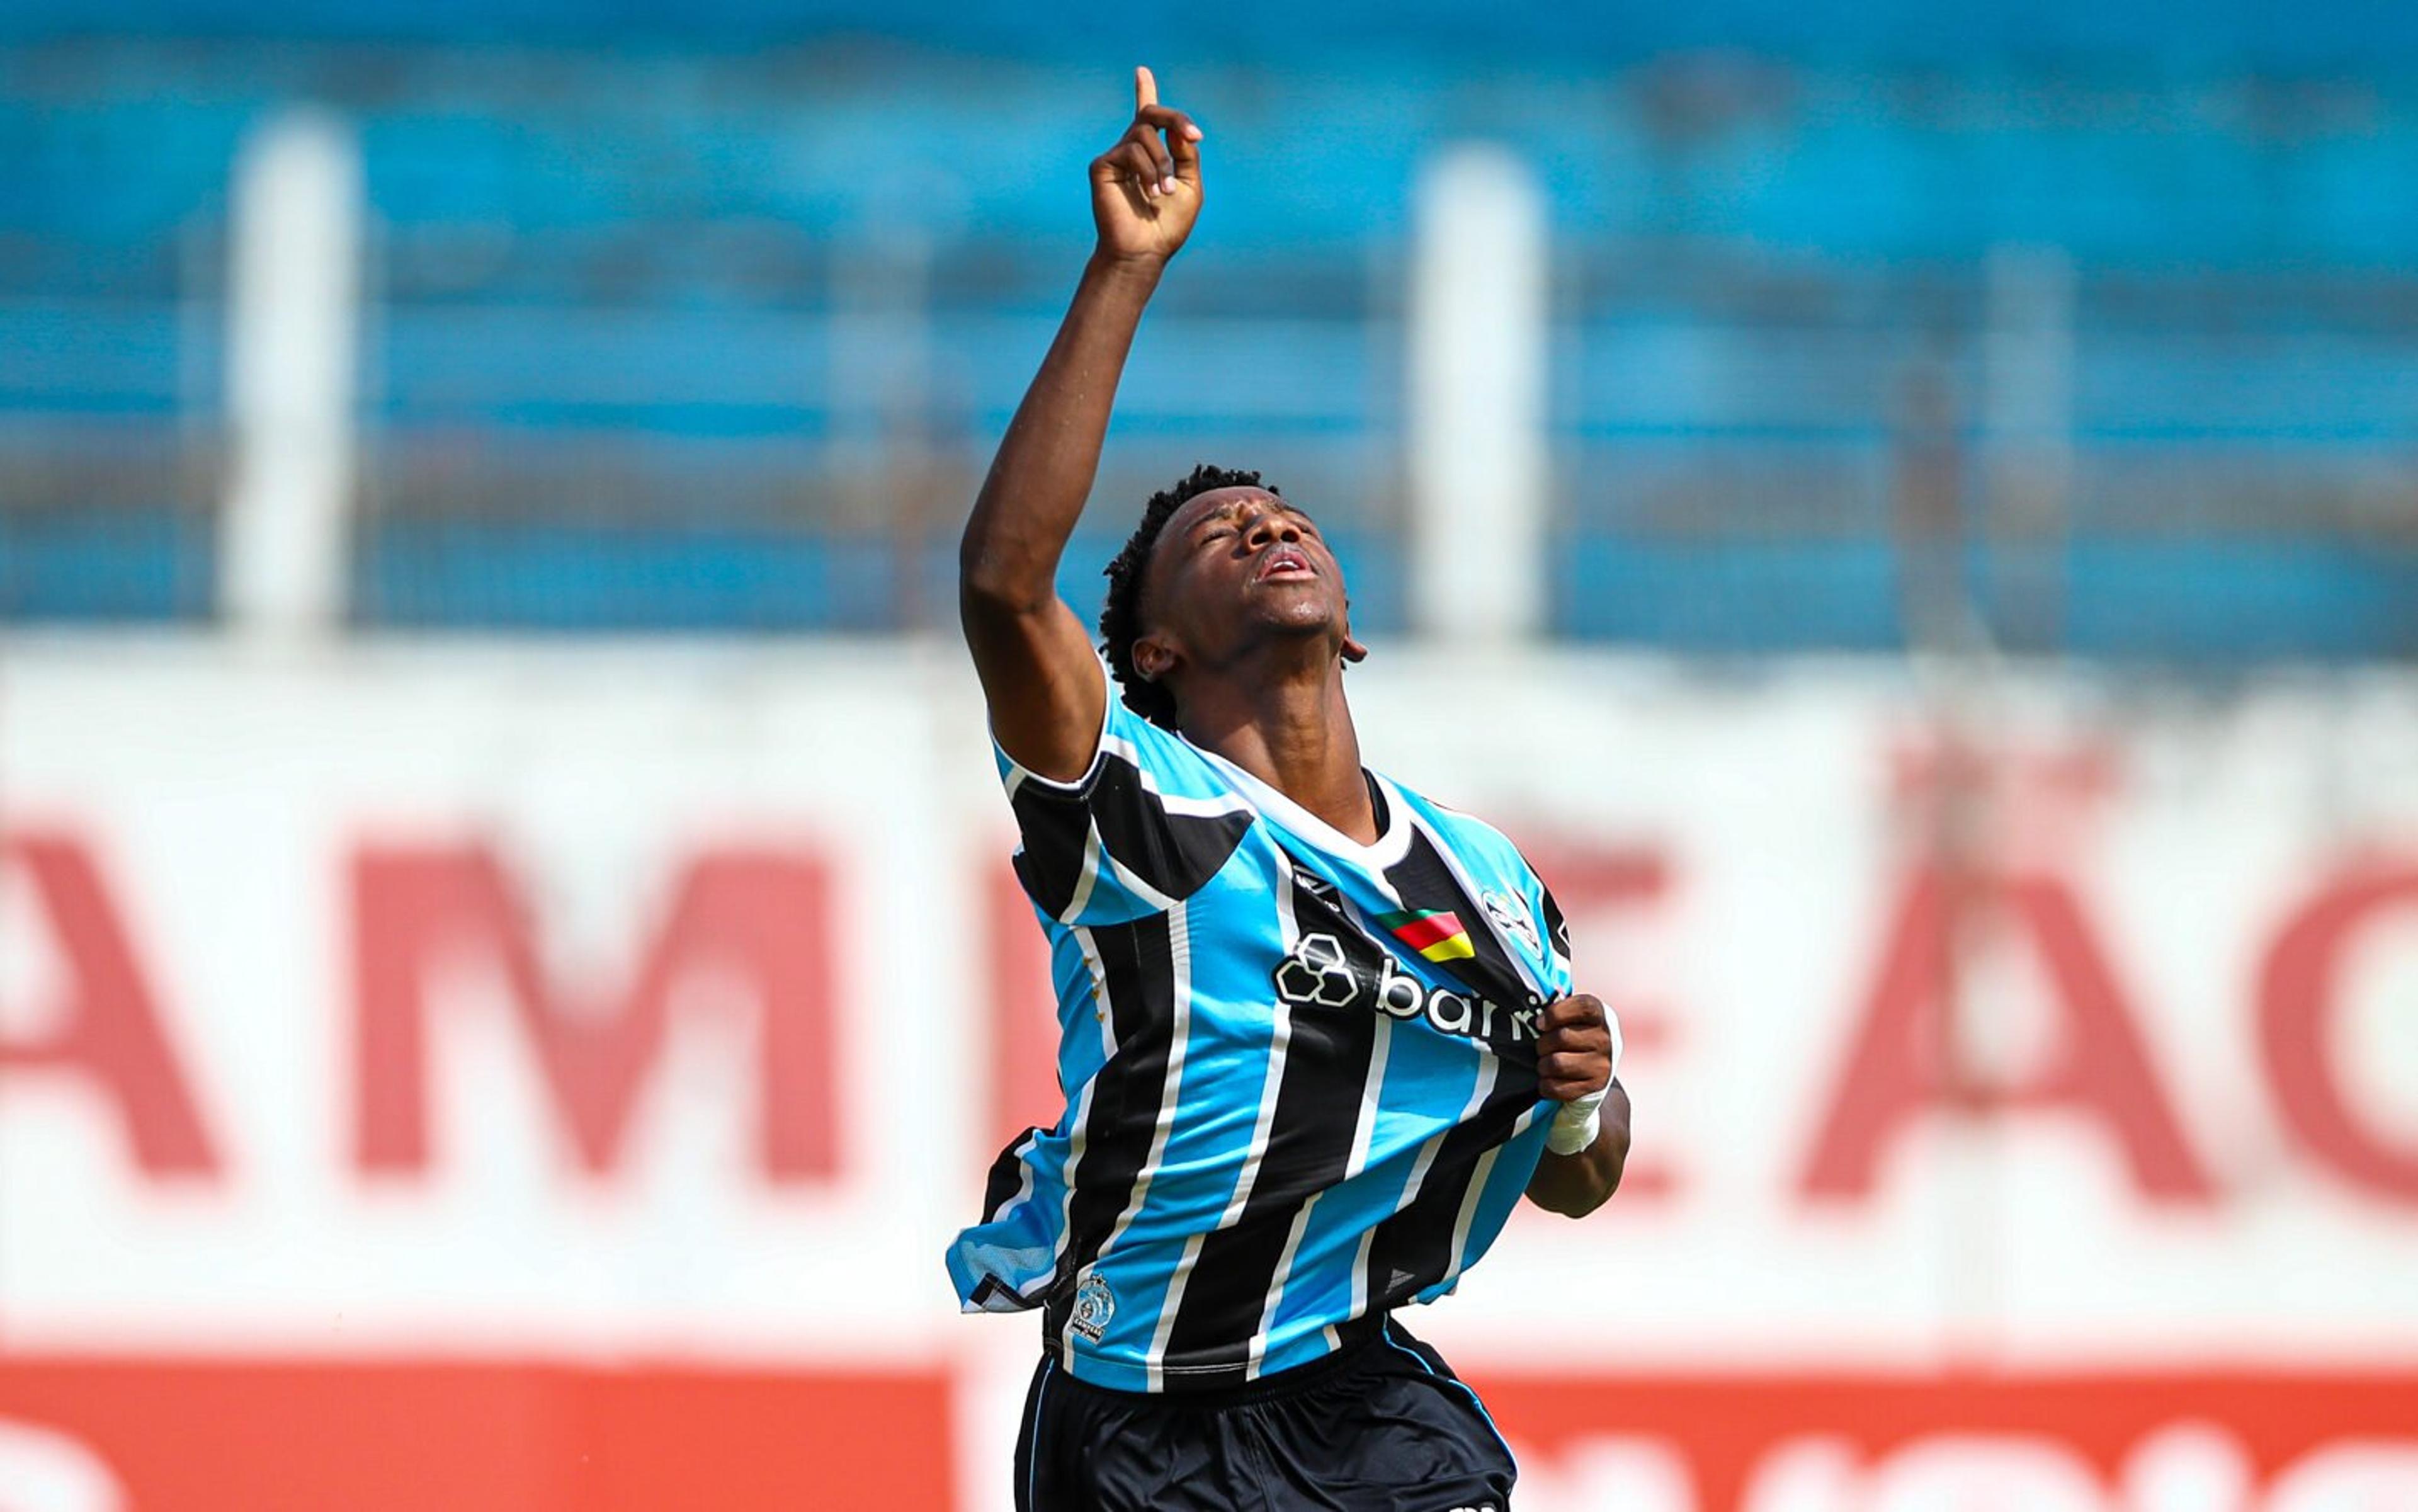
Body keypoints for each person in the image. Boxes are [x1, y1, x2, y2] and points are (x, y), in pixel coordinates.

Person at [946, 66, 1631, 1512]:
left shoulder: (1489, 882)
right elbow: (1007, 587)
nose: (1264, 519)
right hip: (1137, 1425)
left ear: (1355, 626)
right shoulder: (1142, 814)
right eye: (1217, 531)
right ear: (1155, 650)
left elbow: (1579, 1173)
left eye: (1280, 512)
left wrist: (1583, 1102)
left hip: (1364, 1406)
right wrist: (1123, 273)